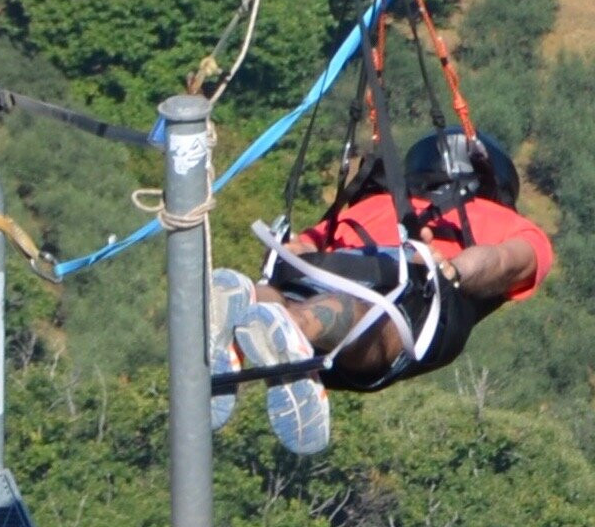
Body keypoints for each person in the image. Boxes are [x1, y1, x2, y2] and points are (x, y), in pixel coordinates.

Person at [210, 128, 553, 455]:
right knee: (354, 312)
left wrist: (281, 253)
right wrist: (454, 270)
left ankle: (253, 299)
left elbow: (299, 249)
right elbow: (506, 259)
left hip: (327, 268)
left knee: (291, 294)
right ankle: (297, 325)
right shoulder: (505, 221)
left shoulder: (373, 206)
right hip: (401, 292)